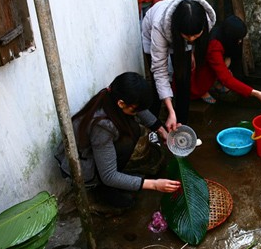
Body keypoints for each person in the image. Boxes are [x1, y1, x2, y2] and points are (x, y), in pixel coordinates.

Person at [55, 72, 180, 209]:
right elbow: (108, 175)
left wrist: (162, 131)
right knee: (126, 140)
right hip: (83, 165)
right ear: (121, 103)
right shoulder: (102, 126)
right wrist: (154, 184)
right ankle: (103, 189)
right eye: (134, 110)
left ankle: (116, 179)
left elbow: (140, 109)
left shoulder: (114, 96)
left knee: (132, 130)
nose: (137, 112)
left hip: (96, 151)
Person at [141, 0, 216, 130]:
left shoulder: (204, 19)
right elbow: (160, 70)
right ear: (179, 30)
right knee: (156, 83)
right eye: (188, 36)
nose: (192, 39)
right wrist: (170, 110)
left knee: (184, 79)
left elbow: (193, 38)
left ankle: (181, 125)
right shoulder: (159, 26)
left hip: (179, 35)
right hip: (153, 31)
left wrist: (191, 51)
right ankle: (154, 128)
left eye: (195, 35)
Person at [190, 15, 261, 107]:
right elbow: (227, 79)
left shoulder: (221, 33)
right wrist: (256, 93)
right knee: (206, 82)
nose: (240, 41)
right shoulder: (214, 47)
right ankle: (202, 90)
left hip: (210, 62)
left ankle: (215, 83)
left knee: (227, 62)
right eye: (238, 39)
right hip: (199, 71)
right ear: (230, 37)